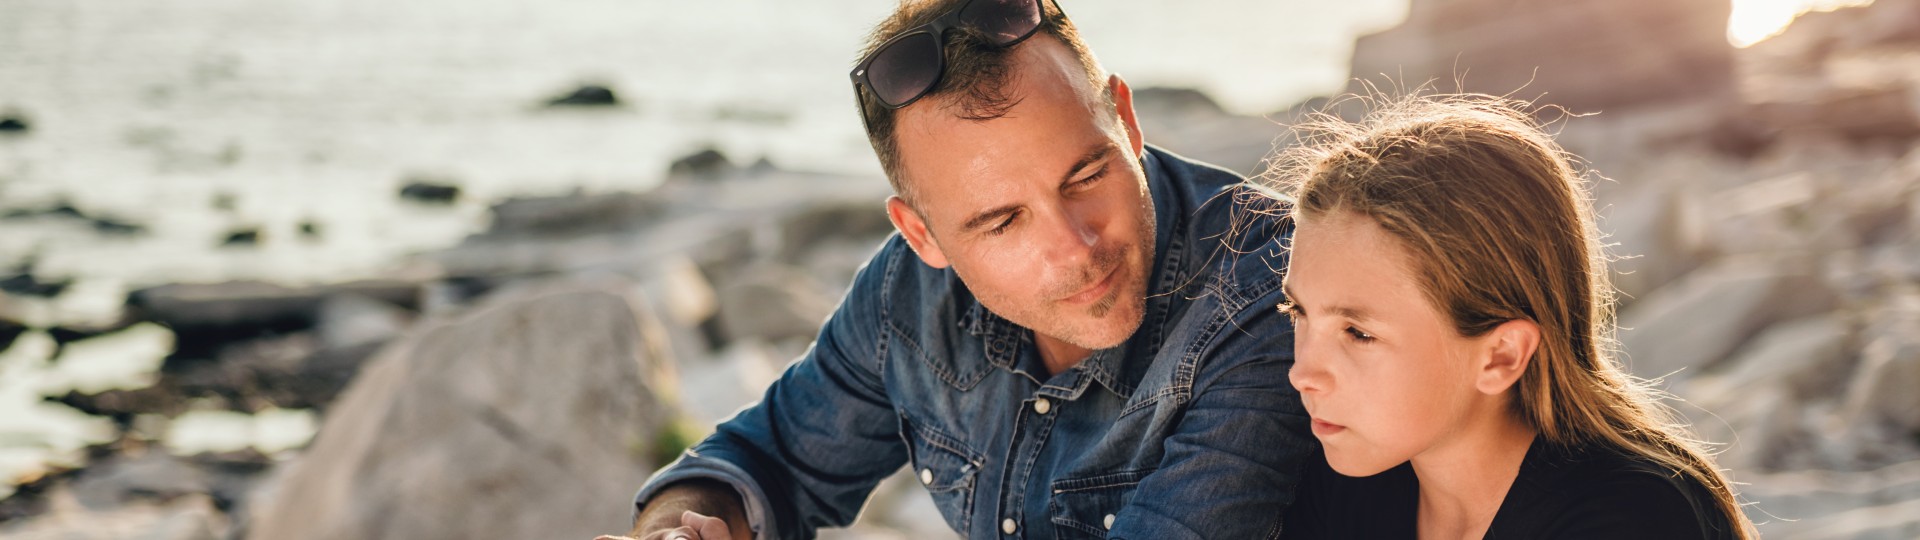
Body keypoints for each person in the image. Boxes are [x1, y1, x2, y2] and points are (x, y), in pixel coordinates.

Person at [598, 1, 1309, 538]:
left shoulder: (1274, 287)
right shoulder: (906, 294)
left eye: (1087, 174)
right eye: (1002, 221)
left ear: (1125, 117)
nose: (1076, 246)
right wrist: (676, 530)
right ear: (921, 233)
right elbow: (763, 456)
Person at [1267, 94, 1756, 539]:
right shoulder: (1350, 481)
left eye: (1357, 332)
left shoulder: (1637, 519)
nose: (1302, 373)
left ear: (1501, 356)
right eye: (1298, 312)